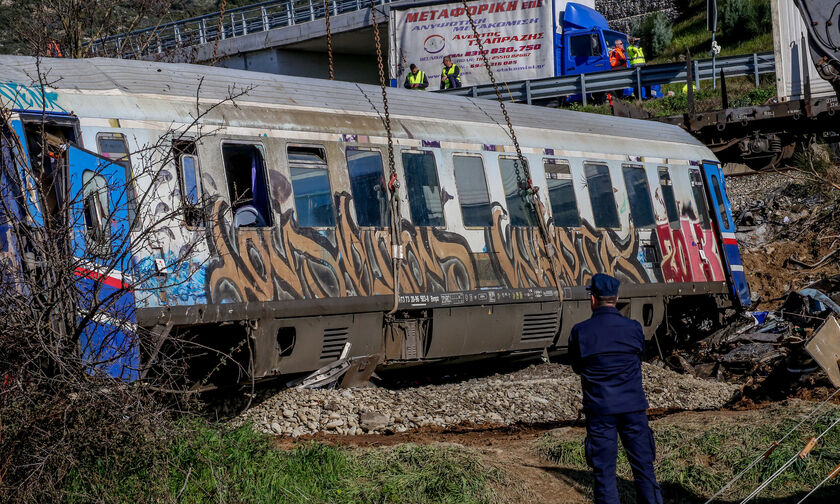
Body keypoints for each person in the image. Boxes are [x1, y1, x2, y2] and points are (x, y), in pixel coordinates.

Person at [568, 273, 663, 504]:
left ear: (593, 299)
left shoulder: (580, 332)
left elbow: (577, 367)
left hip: (600, 410)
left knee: (604, 474)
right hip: (633, 409)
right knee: (643, 467)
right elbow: (639, 357)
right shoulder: (633, 328)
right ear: (617, 297)